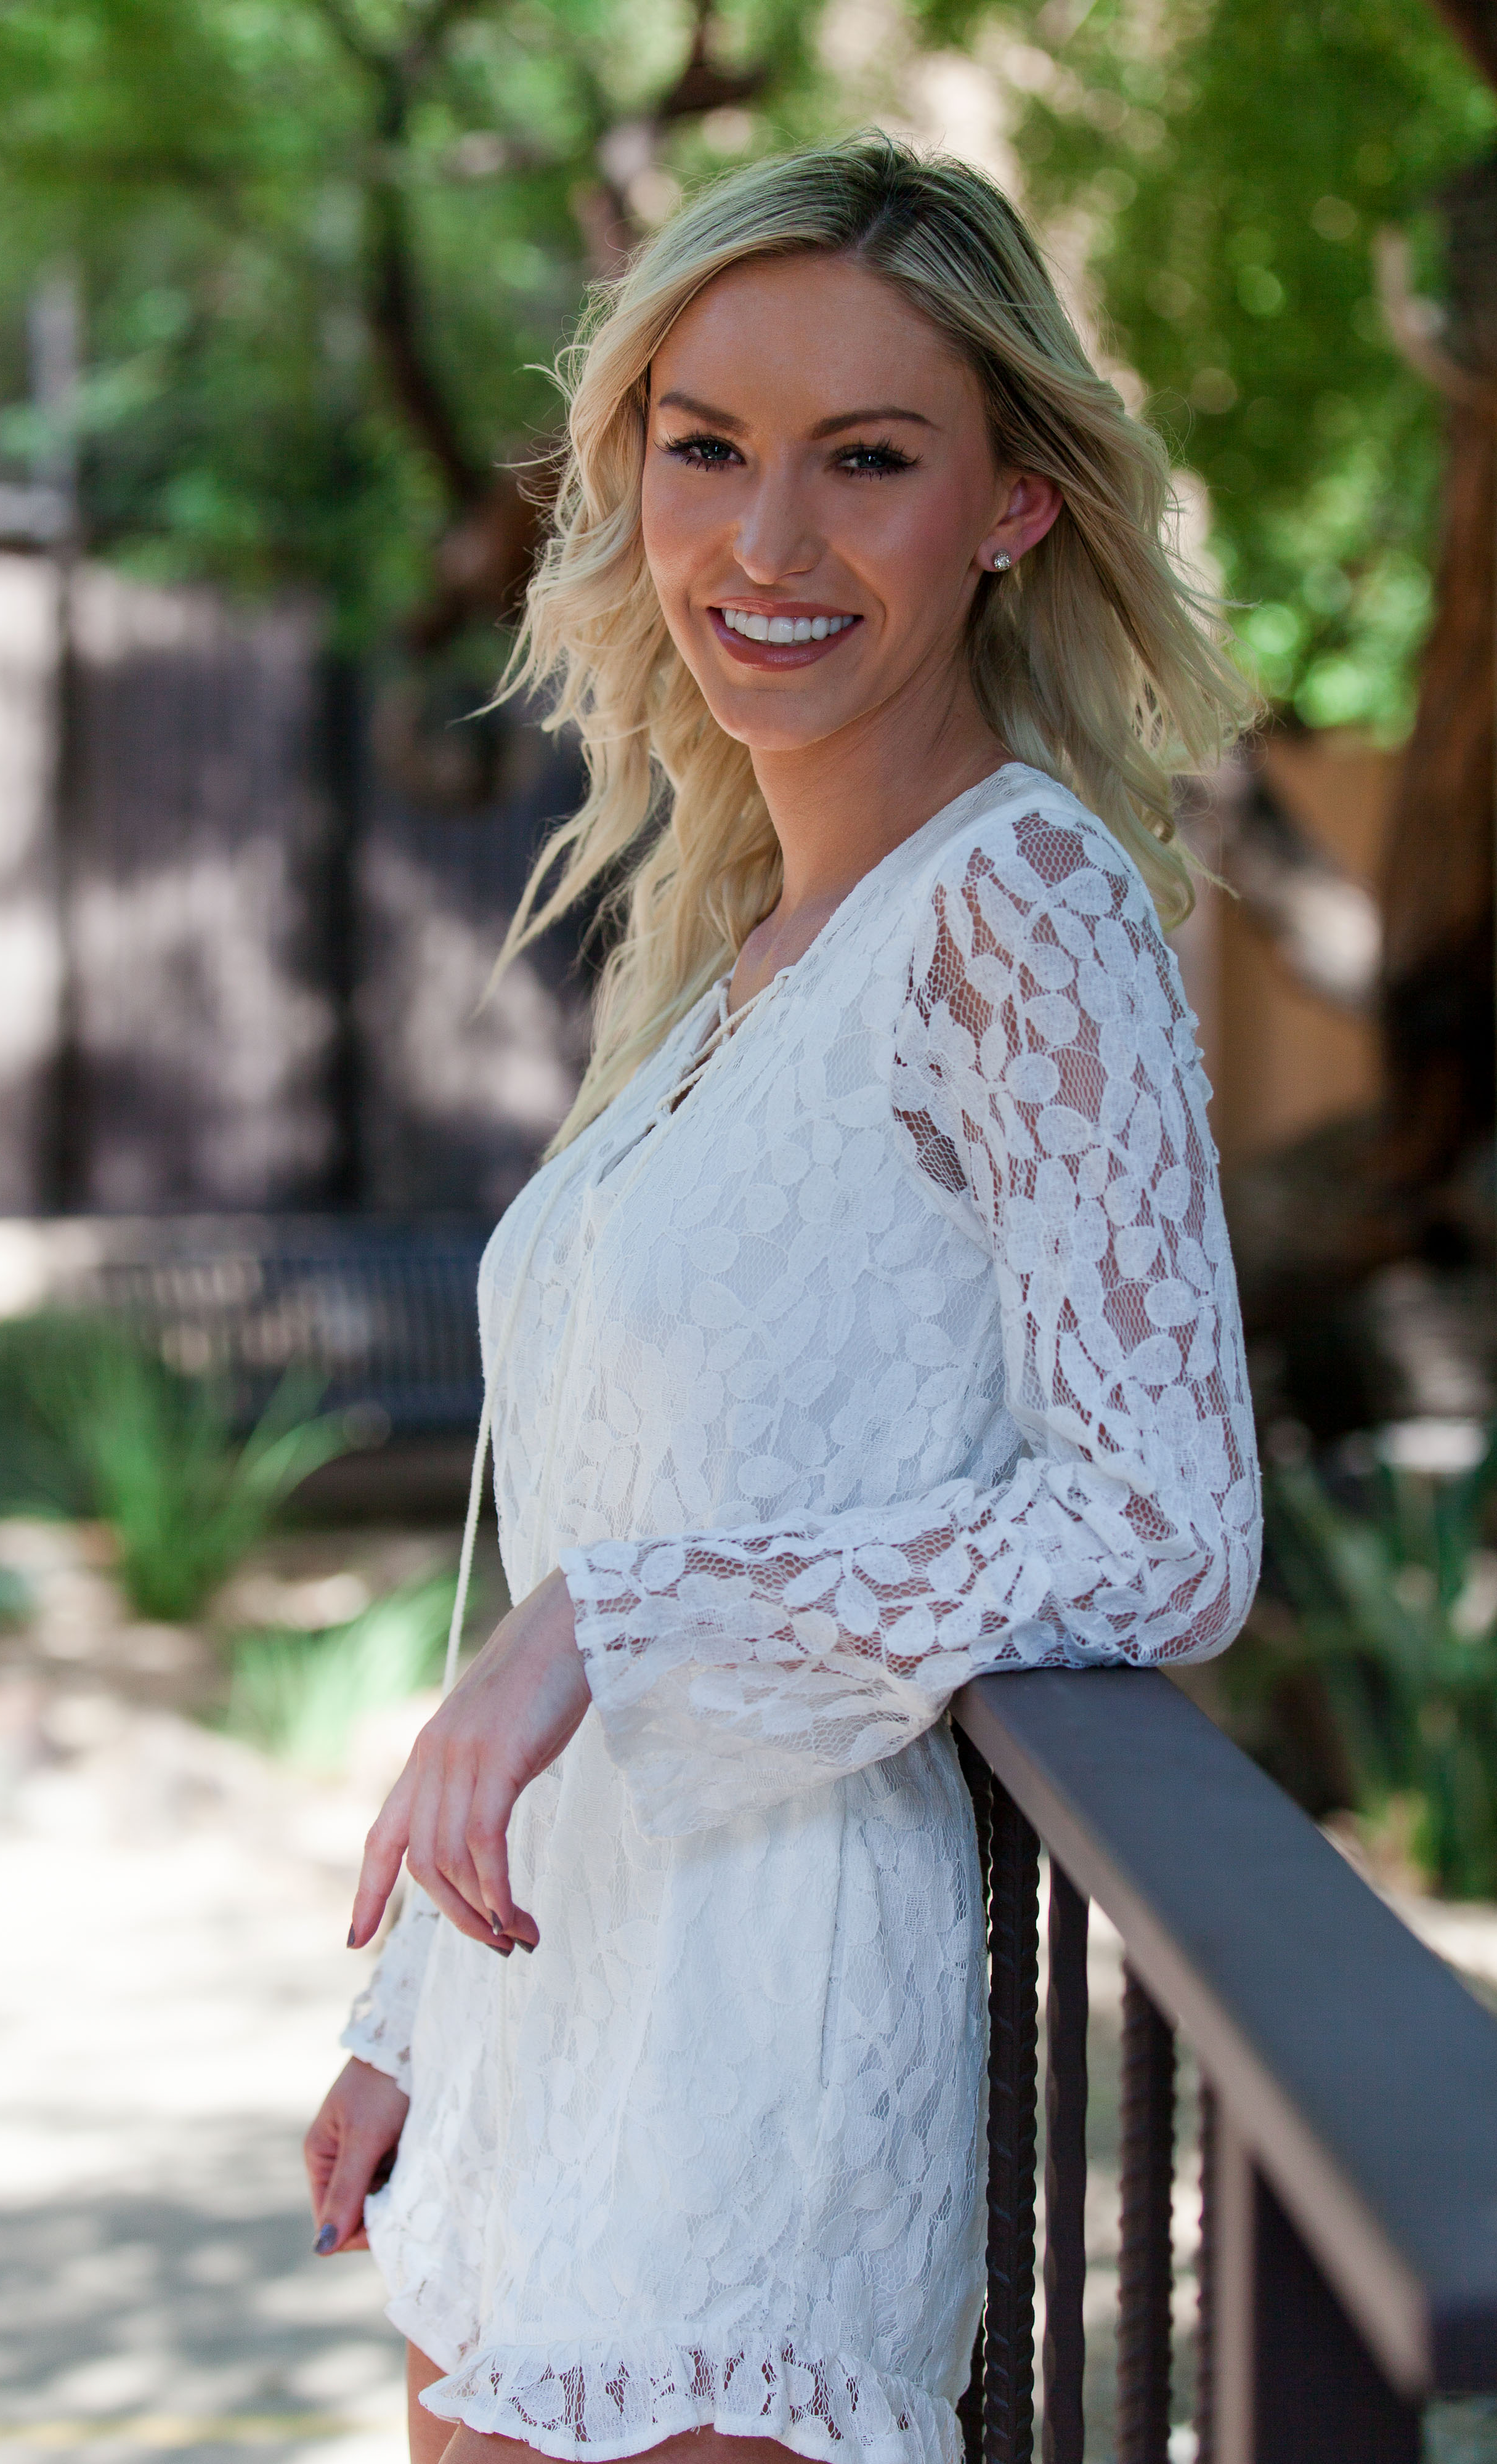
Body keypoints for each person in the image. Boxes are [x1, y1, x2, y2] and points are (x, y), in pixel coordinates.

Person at [304, 134, 1260, 2464]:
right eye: (703, 449)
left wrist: (613, 1628)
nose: (764, 543)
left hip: (762, 2066)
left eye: (868, 460)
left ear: (1013, 505)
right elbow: (601, 1506)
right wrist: (412, 2011)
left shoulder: (1018, 905)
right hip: (555, 2027)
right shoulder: (730, 964)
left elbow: (1164, 1521)